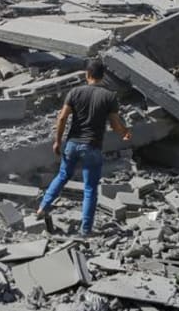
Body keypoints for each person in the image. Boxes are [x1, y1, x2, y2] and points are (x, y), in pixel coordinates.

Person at [36, 60, 131, 236]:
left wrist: (57, 141)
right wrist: (125, 132)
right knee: (90, 189)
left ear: (87, 74)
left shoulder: (74, 92)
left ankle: (43, 207)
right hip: (92, 147)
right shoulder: (109, 97)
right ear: (103, 77)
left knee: (63, 176)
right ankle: (86, 229)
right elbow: (116, 125)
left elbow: (62, 118)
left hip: (72, 144)